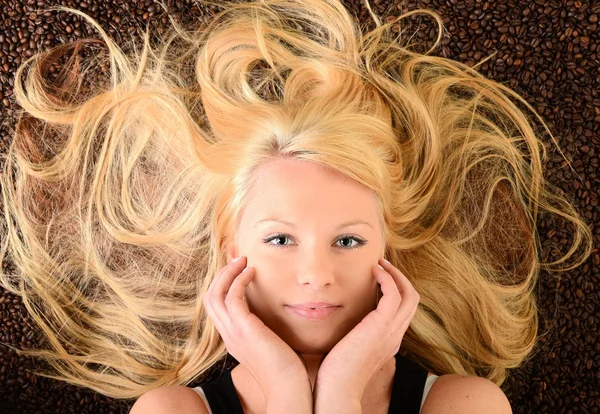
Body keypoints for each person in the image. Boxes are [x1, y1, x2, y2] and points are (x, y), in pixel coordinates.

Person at [0, 0, 592, 413]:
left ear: (391, 251)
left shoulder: (465, 406)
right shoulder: (168, 411)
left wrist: (339, 398)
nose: (316, 273)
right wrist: (288, 395)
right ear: (233, 253)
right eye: (281, 240)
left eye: (350, 240)